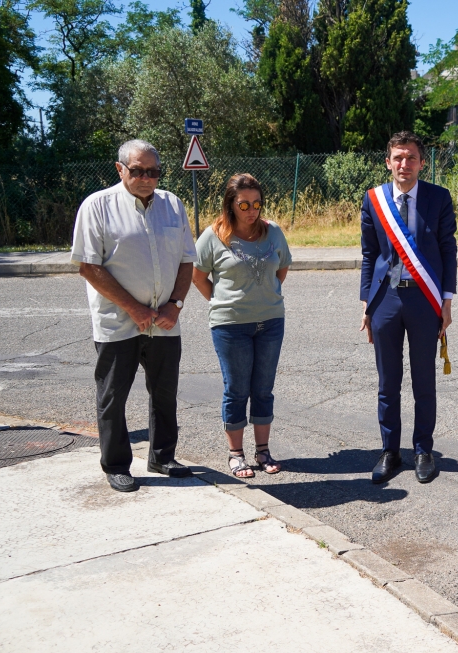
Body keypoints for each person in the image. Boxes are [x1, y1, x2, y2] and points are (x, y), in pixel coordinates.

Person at [71, 139, 196, 492]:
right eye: (138, 170)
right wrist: (134, 308)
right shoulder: (98, 206)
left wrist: (176, 304)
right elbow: (88, 266)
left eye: (153, 171)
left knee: (165, 392)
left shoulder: (172, 204)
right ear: (120, 169)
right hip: (117, 322)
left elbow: (187, 260)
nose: (146, 178)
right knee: (113, 396)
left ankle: (162, 456)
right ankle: (116, 465)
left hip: (165, 322)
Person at [360, 131, 457, 484]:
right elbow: (370, 254)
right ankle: (390, 451)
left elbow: (448, 249)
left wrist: (447, 301)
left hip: (424, 299)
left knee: (423, 381)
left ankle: (422, 450)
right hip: (386, 299)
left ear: (422, 162)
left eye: (411, 158)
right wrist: (366, 305)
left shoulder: (439, 198)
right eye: (398, 158)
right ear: (389, 162)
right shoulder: (374, 200)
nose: (404, 164)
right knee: (388, 382)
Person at [192, 174, 293, 478]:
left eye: (257, 204)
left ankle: (263, 451)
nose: (252, 210)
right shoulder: (214, 236)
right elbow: (198, 276)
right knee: (236, 390)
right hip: (230, 326)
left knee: (263, 389)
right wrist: (221, 301)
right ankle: (236, 455)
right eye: (244, 204)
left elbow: (282, 269)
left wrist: (266, 297)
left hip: (271, 322)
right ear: (231, 204)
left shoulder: (273, 232)